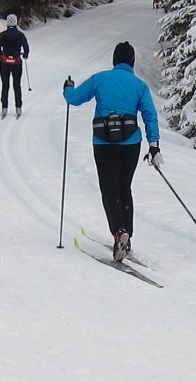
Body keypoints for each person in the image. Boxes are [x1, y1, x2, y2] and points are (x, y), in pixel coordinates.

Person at [63, 41, 160, 262]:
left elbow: (74, 99)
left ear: (114, 60)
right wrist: (153, 145)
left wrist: (68, 87)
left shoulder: (100, 79)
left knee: (109, 190)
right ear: (132, 62)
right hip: (131, 145)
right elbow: (149, 115)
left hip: (104, 144)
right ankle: (127, 235)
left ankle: (119, 232)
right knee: (124, 188)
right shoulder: (140, 86)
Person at [0, 14, 30, 116]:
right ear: (15, 22)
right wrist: (25, 55)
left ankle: (4, 108)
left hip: (4, 63)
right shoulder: (20, 35)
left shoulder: (2, 35)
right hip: (17, 63)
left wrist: (2, 55)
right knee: (17, 85)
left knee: (5, 85)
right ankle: (18, 108)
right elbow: (26, 49)